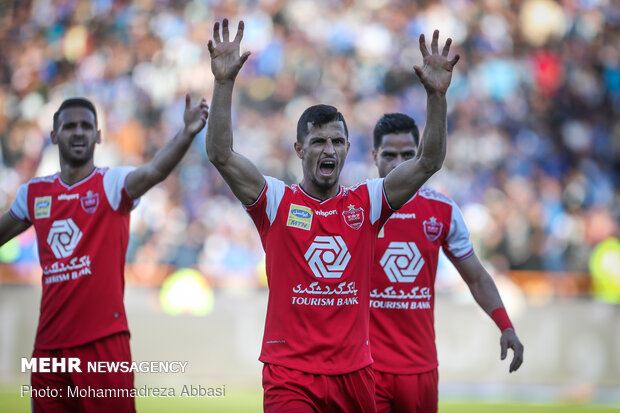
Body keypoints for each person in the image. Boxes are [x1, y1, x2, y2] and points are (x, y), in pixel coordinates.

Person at [205, 19, 459, 412]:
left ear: (347, 148)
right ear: (298, 149)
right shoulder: (275, 201)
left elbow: (429, 161)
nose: (329, 149)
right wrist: (223, 84)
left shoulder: (367, 202)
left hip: (355, 375)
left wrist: (437, 97)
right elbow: (221, 155)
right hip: (290, 374)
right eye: (318, 141)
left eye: (337, 141)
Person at [0, 94, 208, 412]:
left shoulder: (111, 183)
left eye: (86, 126)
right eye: (70, 127)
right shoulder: (34, 194)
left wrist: (187, 133)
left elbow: (154, 171)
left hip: (102, 345)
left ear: (98, 135)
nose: (79, 132)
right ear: (54, 136)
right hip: (49, 348)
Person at [369, 113, 524, 413]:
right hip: (367, 368)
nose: (398, 163)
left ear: (419, 157)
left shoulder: (441, 211)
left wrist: (506, 326)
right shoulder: (357, 208)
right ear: (375, 156)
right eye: (389, 155)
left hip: (420, 368)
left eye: (407, 155)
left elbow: (476, 278)